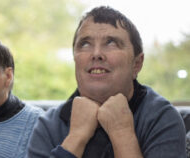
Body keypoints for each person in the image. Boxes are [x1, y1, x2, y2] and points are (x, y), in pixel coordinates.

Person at [26, 6, 186, 158]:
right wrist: (76, 138)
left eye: (111, 43)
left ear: (137, 64)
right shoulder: (49, 125)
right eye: (85, 44)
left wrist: (122, 133)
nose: (96, 54)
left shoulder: (162, 118)